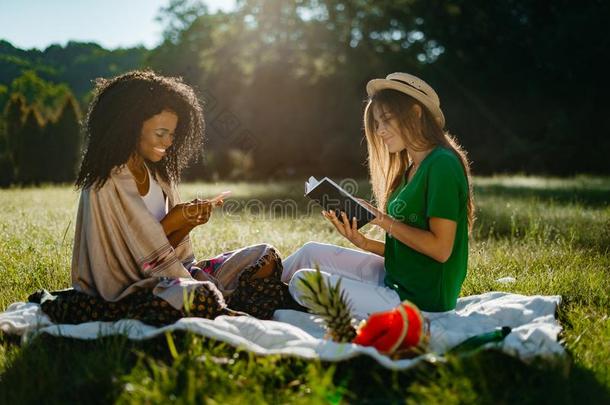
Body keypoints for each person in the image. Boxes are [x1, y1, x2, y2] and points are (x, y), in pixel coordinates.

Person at [34, 70, 293, 326]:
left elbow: (161, 253)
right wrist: (175, 219)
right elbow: (132, 265)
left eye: (172, 134)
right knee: (197, 297)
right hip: (126, 292)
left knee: (265, 256)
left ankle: (222, 304)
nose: (169, 142)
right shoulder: (106, 183)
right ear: (130, 127)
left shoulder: (159, 175)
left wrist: (187, 222)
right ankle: (225, 305)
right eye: (161, 134)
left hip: (169, 276)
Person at [282, 72, 474, 318]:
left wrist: (382, 220)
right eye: (376, 123)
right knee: (309, 252)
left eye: (386, 120)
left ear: (415, 114)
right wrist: (364, 243)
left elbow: (440, 249)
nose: (380, 131)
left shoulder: (442, 164)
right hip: (396, 278)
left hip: (420, 301)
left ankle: (256, 295)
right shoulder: (410, 170)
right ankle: (242, 288)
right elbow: (410, 250)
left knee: (303, 282)